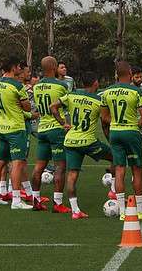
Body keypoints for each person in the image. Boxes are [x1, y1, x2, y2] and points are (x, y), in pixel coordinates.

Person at [51, 72, 112, 220]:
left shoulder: (72, 95)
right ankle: (114, 191)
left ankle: (75, 211)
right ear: (96, 83)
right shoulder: (99, 100)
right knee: (115, 156)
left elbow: (53, 106)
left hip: (71, 141)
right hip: (88, 142)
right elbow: (105, 121)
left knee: (72, 175)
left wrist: (62, 122)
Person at [101, 61, 142, 220]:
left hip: (115, 133)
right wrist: (133, 125)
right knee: (136, 170)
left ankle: (122, 211)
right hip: (131, 133)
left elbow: (104, 117)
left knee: (120, 170)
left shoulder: (107, 92)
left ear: (116, 75)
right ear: (129, 74)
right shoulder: (136, 92)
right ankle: (140, 210)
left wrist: (116, 123)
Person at [0, 57, 33, 210]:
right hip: (15, 129)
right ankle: (16, 200)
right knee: (18, 163)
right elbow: (27, 108)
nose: (20, 69)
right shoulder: (17, 86)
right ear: (13, 68)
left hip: (1, 128)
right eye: (19, 67)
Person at [30, 56, 70, 212]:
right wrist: (64, 123)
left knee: (39, 166)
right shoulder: (62, 85)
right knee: (60, 166)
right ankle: (58, 203)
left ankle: (36, 200)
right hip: (56, 129)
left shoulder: (37, 86)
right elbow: (67, 104)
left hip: (42, 129)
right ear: (54, 67)